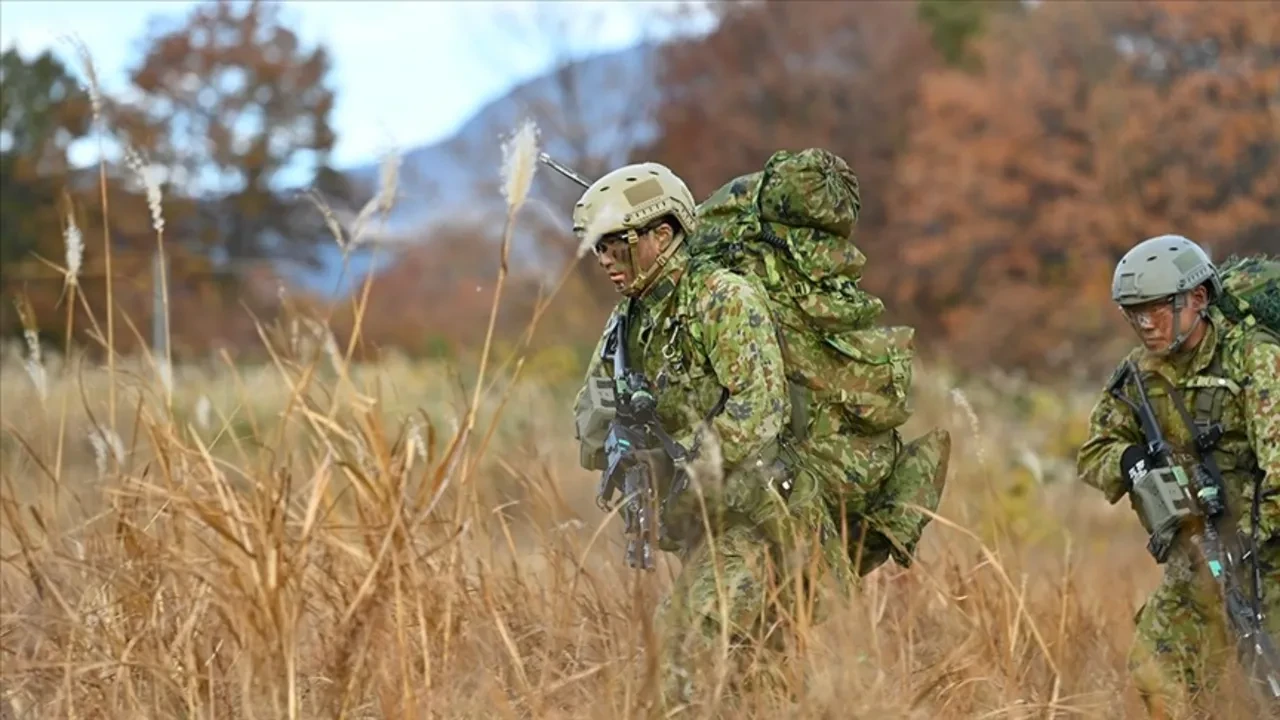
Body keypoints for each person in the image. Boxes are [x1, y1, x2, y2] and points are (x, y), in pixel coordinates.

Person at [569, 161, 845, 710]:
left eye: (615, 244)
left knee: (682, 647)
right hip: (702, 524)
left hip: (760, 519)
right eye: (597, 247)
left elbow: (759, 409)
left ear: (661, 235)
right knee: (755, 677)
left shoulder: (721, 299)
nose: (603, 260)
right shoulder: (628, 323)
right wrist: (624, 443)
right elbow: (589, 412)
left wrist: (691, 462)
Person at [1076, 234, 1280, 716]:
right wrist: (1131, 462)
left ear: (1198, 298)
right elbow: (1094, 452)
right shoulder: (1138, 374)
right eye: (1134, 312)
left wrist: (1251, 537)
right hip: (1198, 555)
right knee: (1155, 671)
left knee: (1263, 684)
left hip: (1268, 555)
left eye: (1156, 309)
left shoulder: (1253, 359)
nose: (1145, 324)